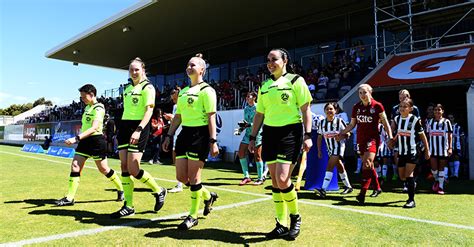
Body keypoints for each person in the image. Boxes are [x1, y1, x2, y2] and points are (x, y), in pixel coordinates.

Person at [248, 48, 313, 240]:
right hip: (270, 133)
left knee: (284, 179)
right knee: (275, 181)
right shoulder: (265, 85)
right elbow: (259, 114)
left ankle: (295, 217)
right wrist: (252, 137)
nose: (270, 63)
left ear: (284, 60)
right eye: (268, 60)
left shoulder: (295, 81)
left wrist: (308, 135)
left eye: (274, 59)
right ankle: (281, 223)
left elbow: (306, 109)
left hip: (290, 132)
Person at [162, 53, 219, 230]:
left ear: (202, 70)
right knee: (181, 177)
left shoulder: (207, 90)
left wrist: (213, 141)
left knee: (194, 178)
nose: (189, 67)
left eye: (193, 65)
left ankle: (193, 216)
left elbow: (211, 117)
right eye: (188, 65)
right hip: (184, 134)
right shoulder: (184, 92)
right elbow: (178, 117)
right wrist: (169, 135)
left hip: (200, 135)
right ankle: (208, 196)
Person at [111, 57, 167, 218]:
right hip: (125, 127)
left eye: (137, 69)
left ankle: (158, 190)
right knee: (123, 167)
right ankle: (128, 206)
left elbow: (149, 111)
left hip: (140, 126)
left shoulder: (148, 87)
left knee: (134, 169)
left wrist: (139, 129)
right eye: (131, 70)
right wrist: (120, 129)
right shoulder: (127, 88)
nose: (134, 72)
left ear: (143, 70)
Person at [55, 84, 124, 206]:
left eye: (83, 96)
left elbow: (94, 127)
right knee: (75, 165)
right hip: (85, 141)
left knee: (103, 169)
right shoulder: (87, 108)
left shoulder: (99, 108)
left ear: (92, 94)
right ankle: (70, 198)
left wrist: (76, 138)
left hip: (96, 141)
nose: (82, 99)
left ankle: (120, 189)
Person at [338, 84, 393, 205]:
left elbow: (385, 122)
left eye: (365, 92)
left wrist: (390, 136)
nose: (362, 95)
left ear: (370, 92)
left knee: (367, 164)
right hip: (360, 140)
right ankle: (377, 187)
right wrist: (341, 133)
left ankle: (362, 193)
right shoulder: (356, 107)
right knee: (368, 165)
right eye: (360, 93)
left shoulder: (377, 106)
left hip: (372, 139)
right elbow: (352, 124)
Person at [388, 98, 430, 208]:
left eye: (405, 107)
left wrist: (427, 149)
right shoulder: (397, 119)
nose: (402, 109)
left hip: (412, 151)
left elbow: (422, 135)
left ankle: (411, 200)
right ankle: (412, 183)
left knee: (408, 174)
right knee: (402, 176)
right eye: (400, 106)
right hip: (401, 151)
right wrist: (391, 140)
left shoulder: (415, 120)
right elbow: (394, 132)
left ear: (410, 109)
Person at [314, 102, 353, 198]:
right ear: (324, 111)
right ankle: (348, 186)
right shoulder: (322, 123)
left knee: (330, 165)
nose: (329, 111)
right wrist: (319, 150)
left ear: (335, 111)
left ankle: (323, 189)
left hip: (339, 147)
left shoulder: (340, 121)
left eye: (331, 109)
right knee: (339, 165)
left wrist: (343, 135)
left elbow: (349, 134)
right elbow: (319, 137)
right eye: (327, 109)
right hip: (330, 148)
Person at [390, 89, 420, 182]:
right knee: (397, 159)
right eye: (401, 97)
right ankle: (404, 180)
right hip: (398, 139)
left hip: (411, 139)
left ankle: (411, 180)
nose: (403, 98)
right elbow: (392, 125)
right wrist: (391, 138)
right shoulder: (395, 108)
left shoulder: (414, 108)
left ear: (409, 97)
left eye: (405, 96)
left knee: (411, 162)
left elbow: (419, 124)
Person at [237, 91, 265, 186]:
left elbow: (261, 122)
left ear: (254, 98)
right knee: (241, 152)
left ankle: (260, 178)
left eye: (249, 96)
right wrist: (240, 129)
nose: (247, 98)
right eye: (247, 97)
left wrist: (249, 124)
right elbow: (246, 122)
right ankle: (246, 176)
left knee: (257, 156)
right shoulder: (246, 108)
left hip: (257, 134)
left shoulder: (258, 107)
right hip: (248, 134)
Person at [426, 104, 453, 194]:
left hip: (443, 149)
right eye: (435, 110)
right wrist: (426, 147)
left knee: (441, 168)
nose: (437, 111)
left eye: (439, 110)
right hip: (432, 149)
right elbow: (426, 135)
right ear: (433, 112)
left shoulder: (446, 122)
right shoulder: (429, 122)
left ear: (442, 111)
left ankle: (441, 187)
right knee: (434, 169)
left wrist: (450, 147)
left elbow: (450, 135)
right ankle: (437, 180)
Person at [163, 87, 184, 193]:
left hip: (184, 135)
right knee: (177, 159)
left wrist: (172, 117)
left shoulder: (183, 105)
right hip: (177, 135)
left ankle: (180, 184)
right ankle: (183, 182)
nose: (173, 100)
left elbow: (182, 119)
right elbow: (176, 121)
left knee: (180, 159)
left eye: (174, 98)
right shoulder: (175, 106)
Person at [447, 113, 464, 179]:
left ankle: (456, 174)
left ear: (454, 118)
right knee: (450, 159)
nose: (450, 119)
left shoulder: (458, 127)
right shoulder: (445, 126)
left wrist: (463, 147)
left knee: (456, 157)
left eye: (451, 118)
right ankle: (452, 174)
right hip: (448, 145)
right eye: (449, 118)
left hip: (457, 145)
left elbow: (462, 137)